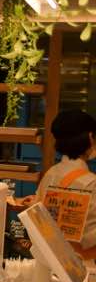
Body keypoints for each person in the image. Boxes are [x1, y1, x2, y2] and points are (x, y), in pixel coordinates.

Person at [37, 109, 96, 257]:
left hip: (50, 259)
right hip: (83, 265)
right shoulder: (92, 183)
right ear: (90, 138)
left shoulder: (50, 174)